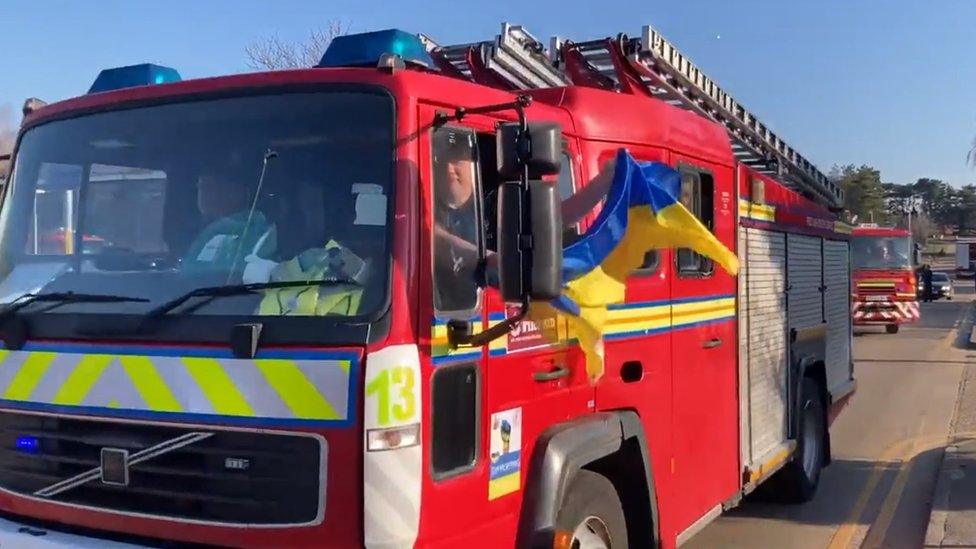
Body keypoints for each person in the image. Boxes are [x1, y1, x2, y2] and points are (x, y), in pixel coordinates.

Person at [182, 174, 276, 274]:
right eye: (201, 187)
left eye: (209, 187)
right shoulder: (216, 233)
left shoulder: (250, 232)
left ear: (235, 192)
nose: (202, 194)